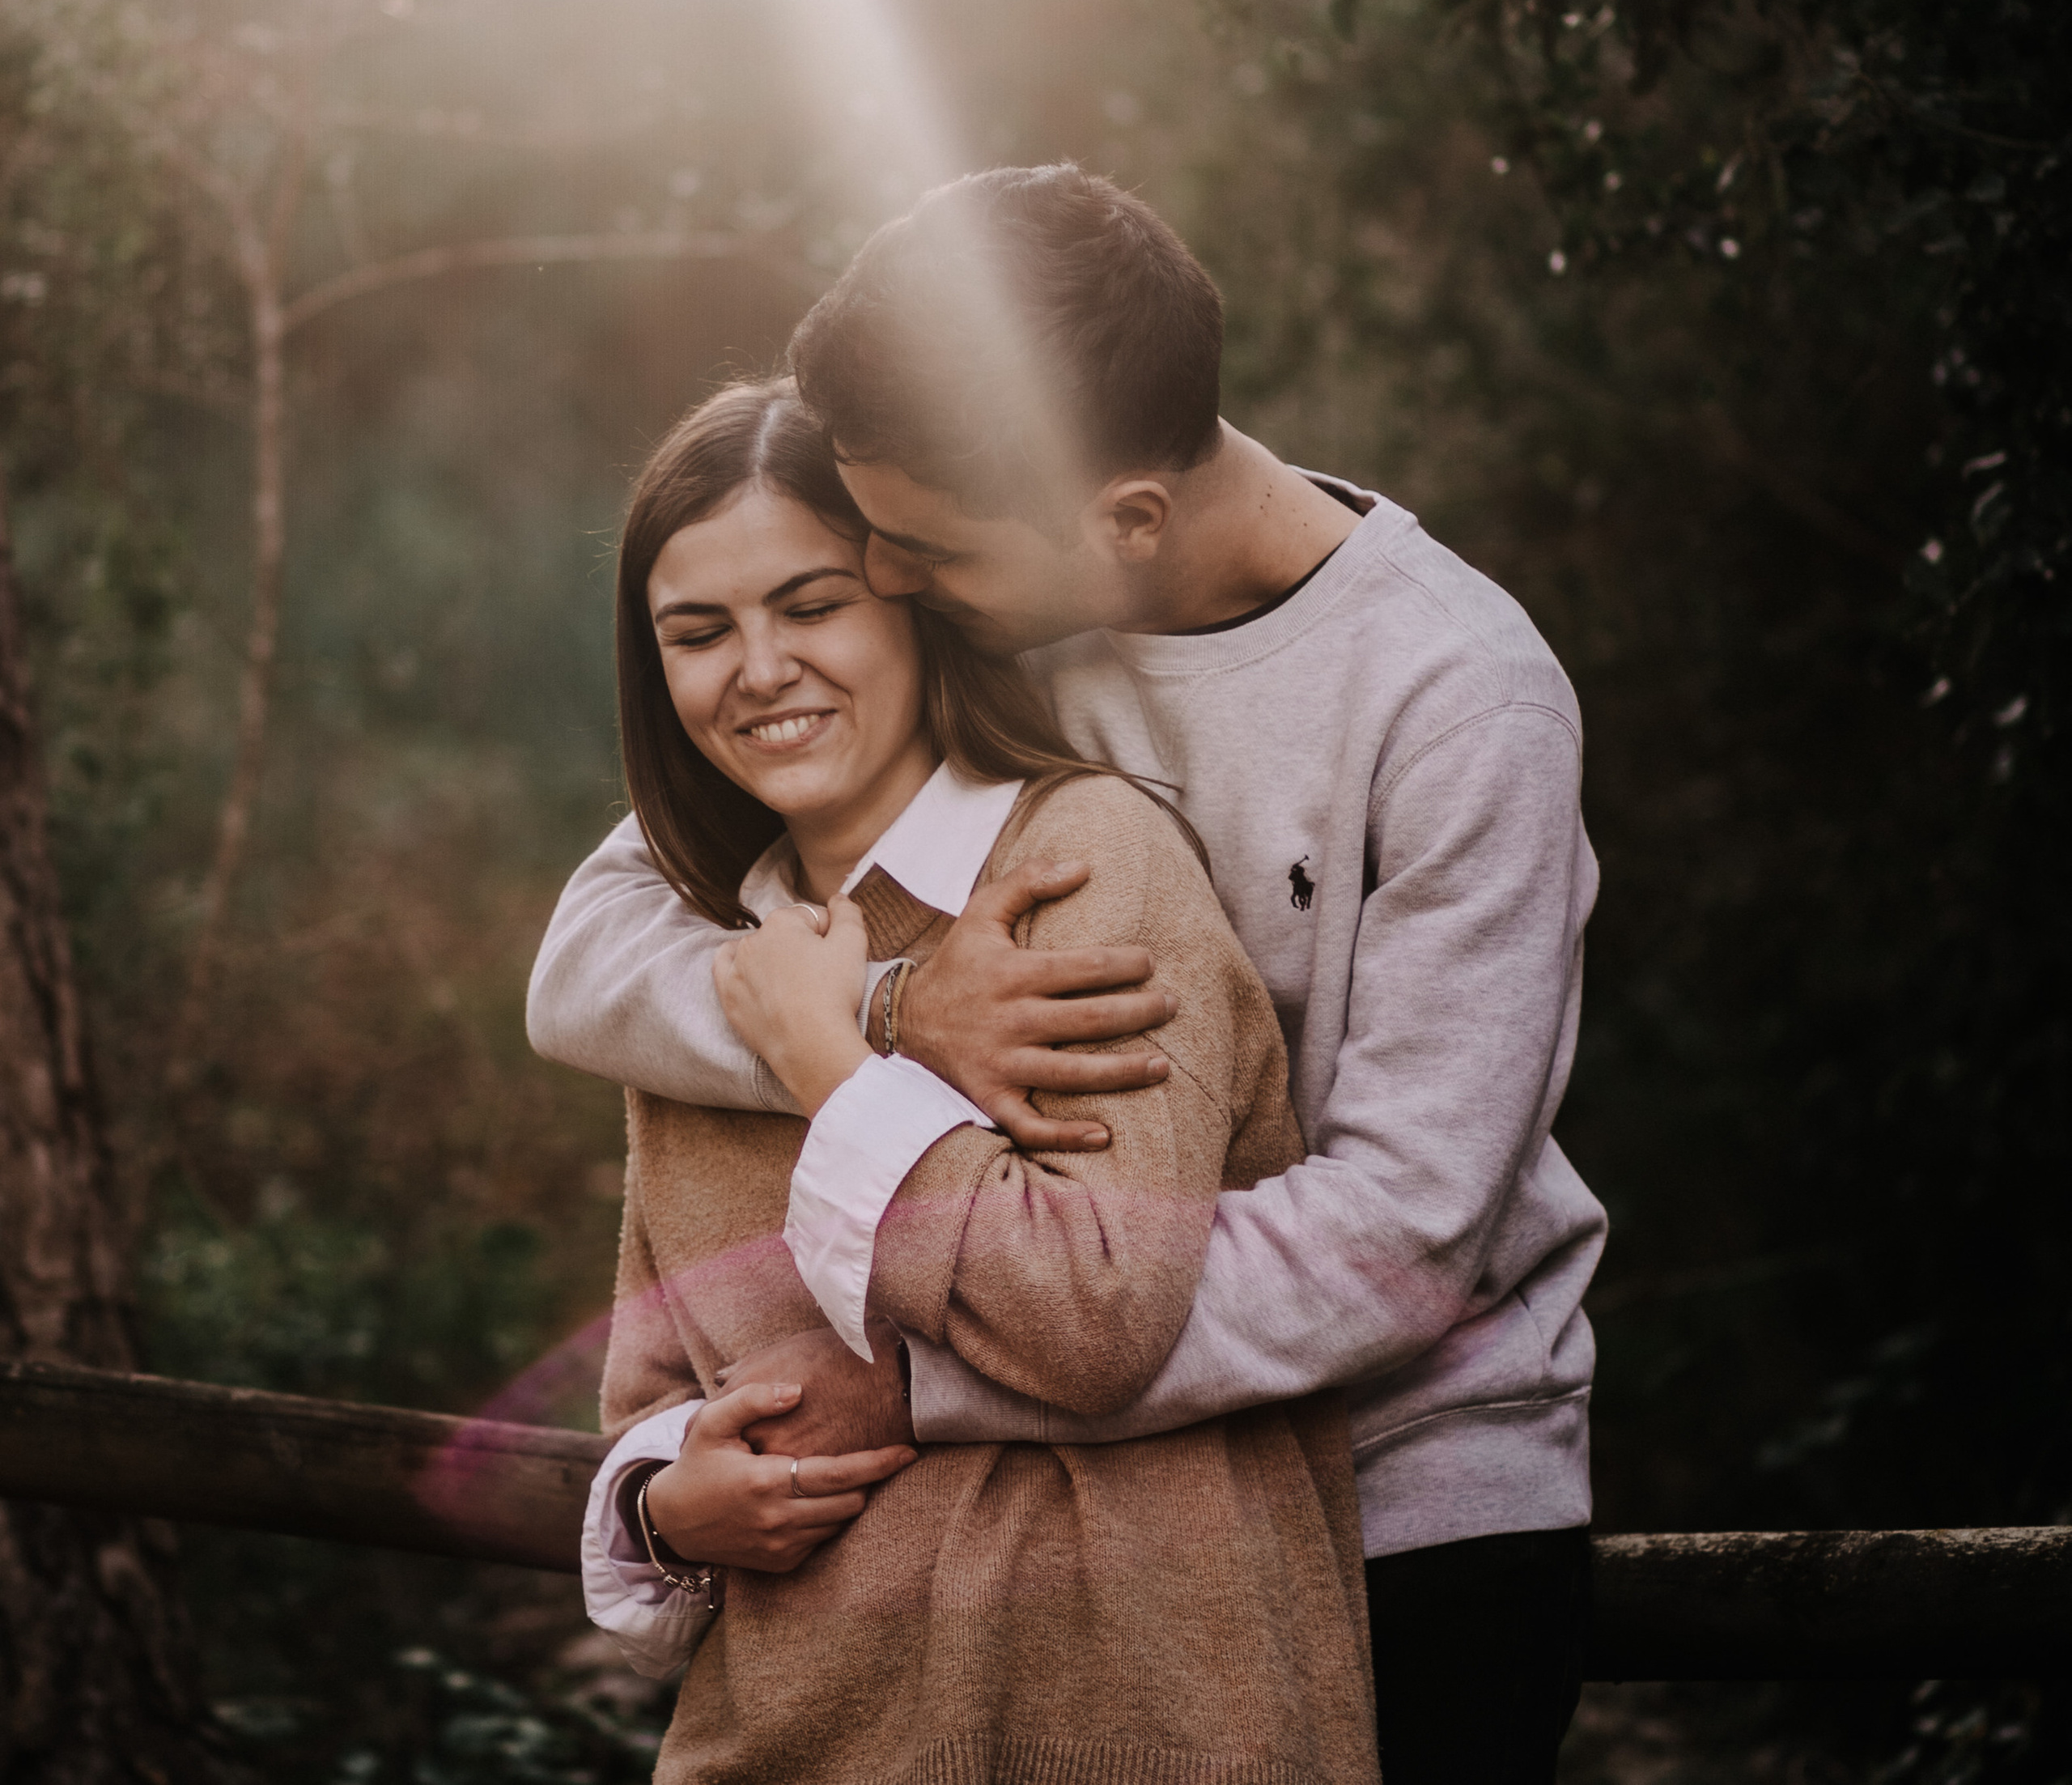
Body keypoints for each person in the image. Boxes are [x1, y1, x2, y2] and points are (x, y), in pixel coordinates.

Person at [537, 165, 1605, 1785]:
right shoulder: (998, 608)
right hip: (1053, 1506)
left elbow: (1403, 1231)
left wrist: (912, 1382)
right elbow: (609, 943)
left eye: (907, 552)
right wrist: (884, 1013)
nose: (883, 581)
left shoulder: (1455, 702)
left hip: (1410, 1497)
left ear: (1123, 521)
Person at [579, 379, 1380, 1785]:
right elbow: (659, 1384)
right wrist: (661, 1502)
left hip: (1136, 1727)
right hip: (791, 1739)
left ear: (909, 604)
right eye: (697, 633)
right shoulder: (721, 971)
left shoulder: (1085, 870)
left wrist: (836, 1063)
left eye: (811, 605)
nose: (758, 668)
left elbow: (1098, 1313)